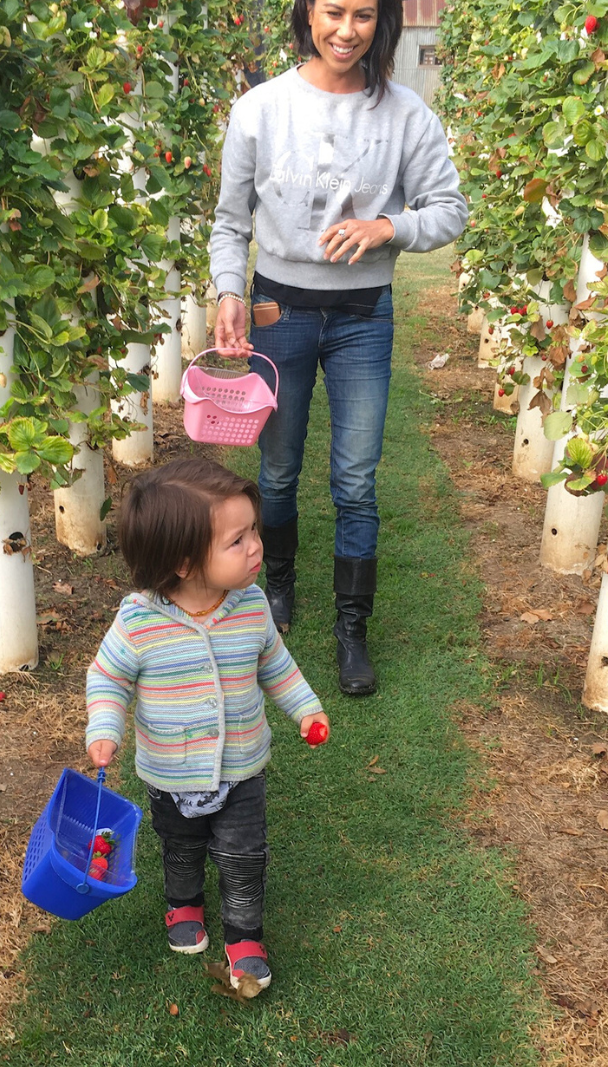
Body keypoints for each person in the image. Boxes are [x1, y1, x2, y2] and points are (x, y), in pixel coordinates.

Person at [209, 0, 468, 696]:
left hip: (362, 316)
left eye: (361, 14)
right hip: (278, 311)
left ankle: (352, 629)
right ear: (306, 15)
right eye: (332, 11)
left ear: (380, 20)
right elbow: (229, 223)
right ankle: (281, 589)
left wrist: (388, 227)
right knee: (279, 468)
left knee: (355, 478)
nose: (345, 30)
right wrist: (228, 291)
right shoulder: (259, 109)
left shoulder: (406, 114)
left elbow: (448, 208)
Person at [85, 457, 329, 992]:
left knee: (243, 856)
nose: (256, 547)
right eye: (237, 540)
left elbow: (275, 665)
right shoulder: (138, 621)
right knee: (181, 845)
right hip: (169, 773)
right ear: (183, 561)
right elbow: (108, 677)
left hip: (242, 768)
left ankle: (244, 934)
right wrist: (104, 728)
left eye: (254, 532)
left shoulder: (251, 607)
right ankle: (184, 903)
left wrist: (306, 709)